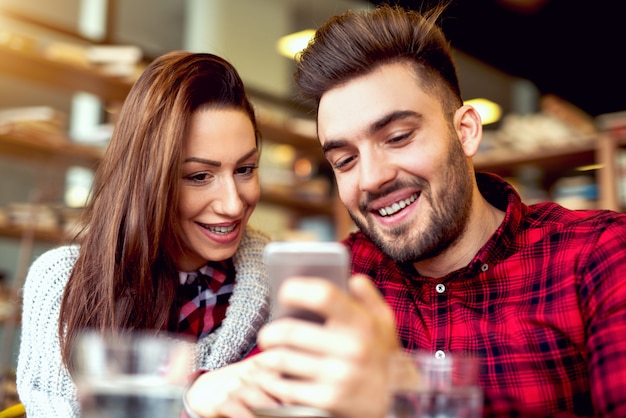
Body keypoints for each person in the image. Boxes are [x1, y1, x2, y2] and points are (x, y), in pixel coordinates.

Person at [249, 4, 626, 418]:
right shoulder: (338, 281)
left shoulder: (601, 253)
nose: (372, 179)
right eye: (344, 160)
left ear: (464, 131)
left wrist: (405, 399)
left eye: (398, 137)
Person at [16, 51, 279, 417]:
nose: (234, 204)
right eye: (199, 176)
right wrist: (190, 400)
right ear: (147, 180)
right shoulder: (63, 283)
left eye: (246, 169)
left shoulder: (280, 284)